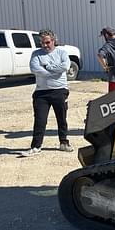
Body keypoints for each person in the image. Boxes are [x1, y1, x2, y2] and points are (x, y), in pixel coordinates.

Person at [21, 29, 73, 157]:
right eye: (42, 43)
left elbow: (65, 67)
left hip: (59, 91)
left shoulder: (62, 53)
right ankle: (36, 146)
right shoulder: (36, 54)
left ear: (53, 41)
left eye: (47, 42)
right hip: (41, 93)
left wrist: (48, 67)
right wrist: (53, 72)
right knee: (40, 120)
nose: (45, 45)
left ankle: (64, 143)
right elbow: (35, 68)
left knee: (61, 118)